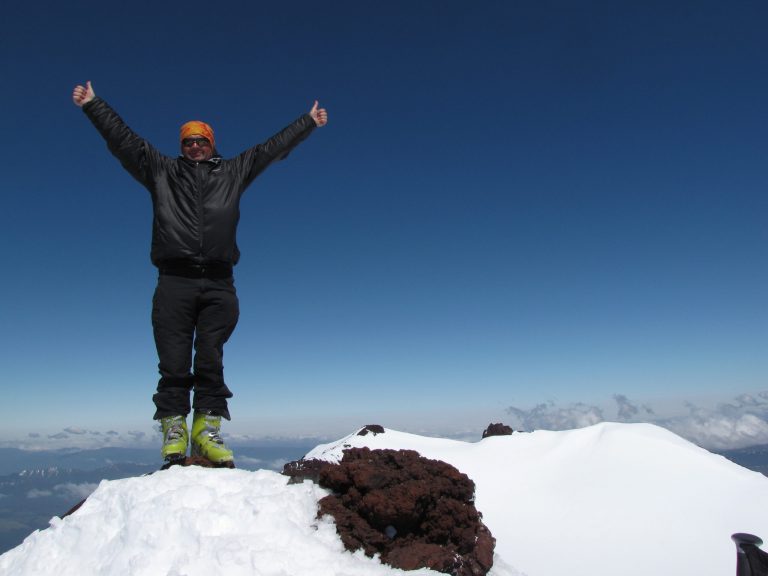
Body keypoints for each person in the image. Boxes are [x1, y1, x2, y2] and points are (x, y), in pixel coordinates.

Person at [72, 81, 328, 464]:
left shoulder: (234, 171)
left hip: (220, 281)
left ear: (211, 143)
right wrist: (94, 105)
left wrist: (306, 122)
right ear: (181, 146)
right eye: (188, 141)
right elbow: (124, 141)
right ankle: (174, 430)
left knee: (210, 358)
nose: (194, 146)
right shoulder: (160, 172)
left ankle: (207, 430)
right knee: (173, 359)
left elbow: (269, 150)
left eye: (201, 140)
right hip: (174, 279)